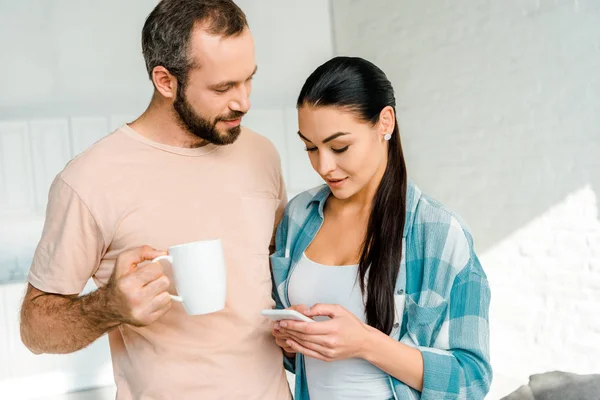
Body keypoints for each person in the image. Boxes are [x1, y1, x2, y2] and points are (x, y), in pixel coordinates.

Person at [19, 1, 290, 399]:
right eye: (222, 88)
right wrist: (107, 307)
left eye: (248, 80)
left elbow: (274, 272)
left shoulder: (261, 154)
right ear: (165, 81)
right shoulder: (89, 181)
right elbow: (34, 330)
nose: (243, 102)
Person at [269, 56, 492, 400]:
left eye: (340, 146)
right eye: (310, 148)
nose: (324, 166)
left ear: (384, 122)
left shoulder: (439, 235)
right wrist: (290, 344)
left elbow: (471, 380)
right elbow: (308, 366)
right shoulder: (299, 217)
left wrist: (364, 342)